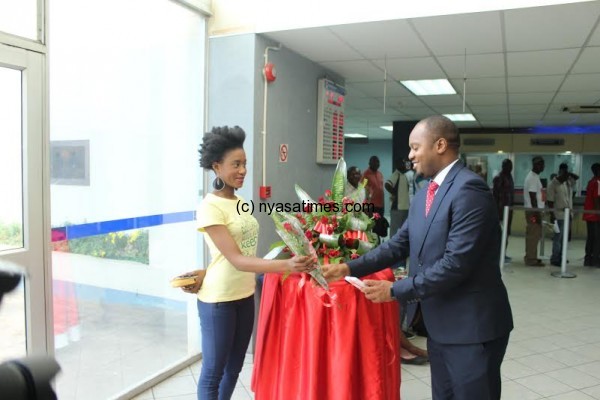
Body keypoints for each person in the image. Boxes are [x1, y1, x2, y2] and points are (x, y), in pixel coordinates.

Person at [322, 115, 513, 400]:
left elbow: (455, 264)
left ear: (439, 145)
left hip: (472, 329)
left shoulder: (469, 190)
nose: (410, 155)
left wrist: (394, 290)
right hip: (441, 325)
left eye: (414, 147)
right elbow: (399, 244)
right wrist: (349, 266)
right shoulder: (426, 192)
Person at [180, 126, 314, 400]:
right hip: (219, 299)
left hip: (244, 294)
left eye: (244, 164)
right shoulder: (209, 206)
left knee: (234, 367)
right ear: (217, 167)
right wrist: (288, 266)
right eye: (235, 164)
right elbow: (238, 259)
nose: (242, 170)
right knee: (213, 371)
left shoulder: (241, 202)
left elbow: (238, 250)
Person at [547, 166, 573, 267]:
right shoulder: (552, 184)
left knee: (564, 239)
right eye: (565, 176)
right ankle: (555, 258)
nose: (567, 178)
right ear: (560, 173)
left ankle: (562, 257)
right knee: (557, 238)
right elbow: (550, 202)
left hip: (567, 214)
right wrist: (552, 215)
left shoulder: (565, 184)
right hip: (558, 215)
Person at [523, 156, 545, 267]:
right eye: (541, 164)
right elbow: (533, 198)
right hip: (533, 212)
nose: (543, 166)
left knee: (534, 234)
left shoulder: (535, 176)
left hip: (534, 211)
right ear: (536, 165)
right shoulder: (532, 177)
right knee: (533, 234)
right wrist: (537, 215)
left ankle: (532, 257)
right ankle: (531, 259)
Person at [492, 159, 514, 263]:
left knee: (507, 233)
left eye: (511, 166)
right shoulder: (499, 178)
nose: (510, 168)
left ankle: (503, 254)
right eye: (508, 166)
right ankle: (498, 255)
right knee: (500, 234)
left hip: (509, 210)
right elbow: (496, 196)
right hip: (500, 211)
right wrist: (497, 212)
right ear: (503, 166)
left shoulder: (510, 177)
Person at [385, 159, 409, 238]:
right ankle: (392, 248)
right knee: (394, 231)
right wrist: (394, 194)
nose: (404, 165)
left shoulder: (404, 175)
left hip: (405, 208)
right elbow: (387, 184)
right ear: (398, 165)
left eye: (404, 163)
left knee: (403, 230)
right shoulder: (396, 174)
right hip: (397, 208)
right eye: (402, 163)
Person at [583, 163, 600, 267]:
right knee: (597, 238)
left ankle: (588, 259)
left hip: (588, 214)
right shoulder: (598, 182)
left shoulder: (591, 181)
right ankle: (595, 260)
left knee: (591, 237)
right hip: (595, 215)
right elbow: (597, 199)